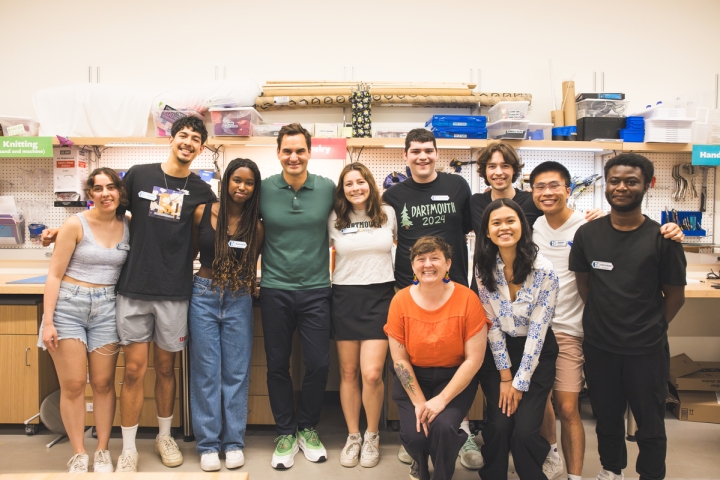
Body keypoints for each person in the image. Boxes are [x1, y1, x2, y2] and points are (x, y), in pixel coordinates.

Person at [530, 161, 685, 480]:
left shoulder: (662, 238)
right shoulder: (589, 234)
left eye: (631, 181)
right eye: (615, 181)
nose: (622, 187)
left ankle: (651, 474)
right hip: (601, 345)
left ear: (648, 185)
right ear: (607, 185)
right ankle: (612, 470)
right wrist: (605, 320)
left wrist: (653, 327)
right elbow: (584, 285)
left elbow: (675, 295)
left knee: (650, 422)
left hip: (647, 349)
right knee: (608, 418)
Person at [381, 129, 482, 470]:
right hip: (409, 292)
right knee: (414, 358)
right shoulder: (393, 196)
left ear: (436, 153)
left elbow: (477, 227)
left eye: (428, 150)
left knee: (454, 358)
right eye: (415, 151)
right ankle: (418, 433)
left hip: (454, 292)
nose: (422, 156)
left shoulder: (457, 186)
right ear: (405, 156)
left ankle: (456, 428)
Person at [38, 168, 129, 473]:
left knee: (103, 383)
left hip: (107, 309)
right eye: (98, 188)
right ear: (90, 194)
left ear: (120, 191)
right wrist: (48, 321)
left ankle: (102, 449)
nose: (106, 194)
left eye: (111, 187)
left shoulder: (129, 224)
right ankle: (79, 452)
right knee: (74, 385)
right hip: (68, 308)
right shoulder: (75, 224)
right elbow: (54, 274)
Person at [259, 123, 335, 469]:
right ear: (278, 153)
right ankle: (286, 431)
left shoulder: (327, 188)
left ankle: (307, 427)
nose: (293, 157)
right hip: (274, 289)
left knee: (319, 364)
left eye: (300, 150)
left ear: (310, 152)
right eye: (287, 150)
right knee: (277, 365)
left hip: (317, 289)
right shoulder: (262, 190)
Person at [385, 236, 490, 480]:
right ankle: (420, 465)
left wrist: (441, 400)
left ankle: (443, 473)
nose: (427, 264)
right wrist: (420, 402)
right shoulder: (400, 301)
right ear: (412, 266)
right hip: (414, 377)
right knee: (416, 434)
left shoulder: (467, 299)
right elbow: (399, 360)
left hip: (453, 377)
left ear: (448, 264)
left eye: (435, 258)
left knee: (442, 428)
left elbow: (474, 359)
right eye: (420, 259)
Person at [474, 198, 560, 480]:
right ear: (487, 232)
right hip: (499, 354)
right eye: (496, 223)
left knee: (524, 431)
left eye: (510, 221)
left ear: (522, 225)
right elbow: (492, 325)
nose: (504, 228)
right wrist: (505, 378)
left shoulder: (544, 270)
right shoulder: (483, 268)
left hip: (536, 352)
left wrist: (519, 383)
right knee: (499, 426)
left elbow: (537, 332)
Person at [188, 158, 264, 471]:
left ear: (254, 188)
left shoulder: (256, 224)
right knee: (206, 373)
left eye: (248, 183)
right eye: (237, 180)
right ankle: (207, 445)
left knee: (236, 373)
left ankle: (233, 443)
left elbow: (252, 264)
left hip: (238, 297)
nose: (241, 187)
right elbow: (188, 252)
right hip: (203, 295)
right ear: (227, 181)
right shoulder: (202, 212)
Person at [329, 163, 396, 468]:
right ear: (341, 190)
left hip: (381, 296)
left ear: (370, 183)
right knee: (348, 373)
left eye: (360, 182)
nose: (355, 188)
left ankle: (372, 435)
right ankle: (353, 436)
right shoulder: (334, 219)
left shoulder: (387, 213)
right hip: (345, 296)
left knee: (372, 373)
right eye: (348, 184)